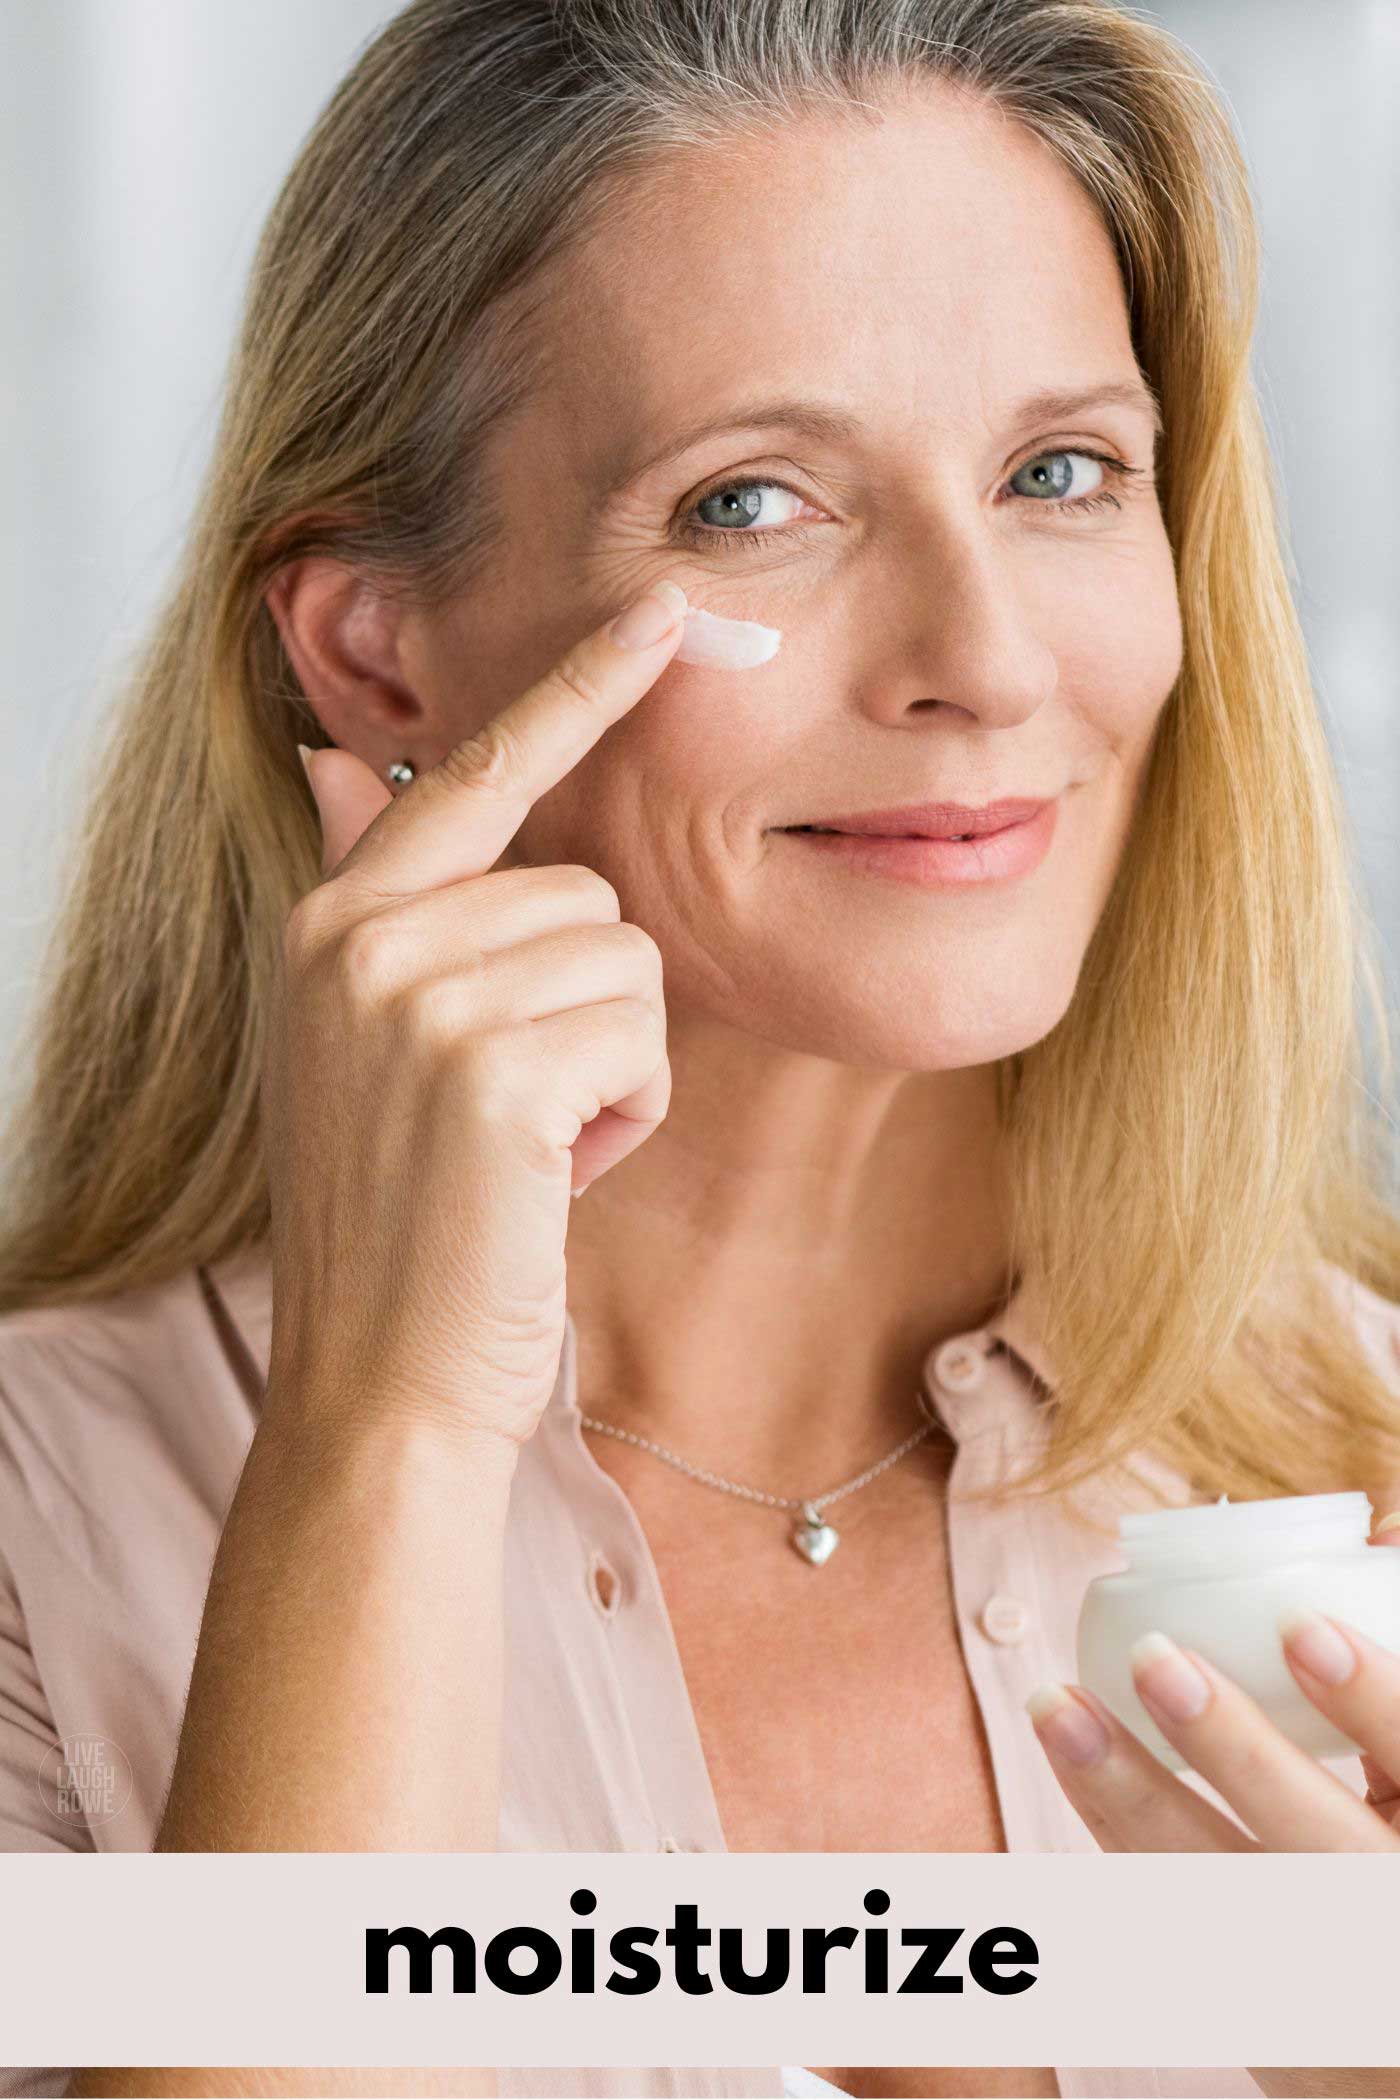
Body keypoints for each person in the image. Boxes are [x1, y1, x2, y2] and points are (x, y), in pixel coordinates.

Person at [2, 1, 1398, 2096]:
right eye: (752, 502)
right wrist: (382, 1434)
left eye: (1057, 472)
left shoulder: (1357, 1453)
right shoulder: (51, 1524)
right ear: (374, 648)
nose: (985, 660)